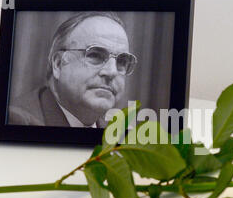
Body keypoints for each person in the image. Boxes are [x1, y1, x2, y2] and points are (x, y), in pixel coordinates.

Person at [8, 11, 137, 128]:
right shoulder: (18, 121)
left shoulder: (116, 133)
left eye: (122, 61)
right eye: (95, 55)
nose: (111, 72)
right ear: (58, 64)